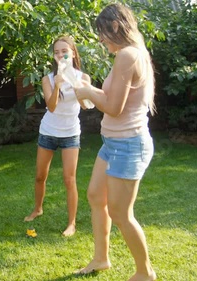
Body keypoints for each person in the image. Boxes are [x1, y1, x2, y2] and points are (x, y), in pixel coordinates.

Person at [73, 3, 157, 281]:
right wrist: (90, 88)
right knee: (96, 196)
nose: (100, 39)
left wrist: (86, 91)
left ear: (115, 27)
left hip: (128, 145)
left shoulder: (128, 55)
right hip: (113, 143)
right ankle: (101, 259)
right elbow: (114, 99)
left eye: (102, 33)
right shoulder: (130, 54)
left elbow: (114, 108)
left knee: (121, 213)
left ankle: (145, 272)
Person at [24, 36, 91, 237]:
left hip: (70, 133)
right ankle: (38, 208)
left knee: (69, 179)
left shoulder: (83, 78)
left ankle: (71, 223)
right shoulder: (48, 79)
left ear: (73, 52)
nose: (60, 55)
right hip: (49, 131)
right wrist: (59, 84)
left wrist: (76, 85)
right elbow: (51, 107)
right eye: (56, 52)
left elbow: (85, 105)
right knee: (40, 176)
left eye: (64, 51)